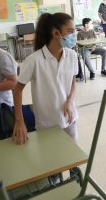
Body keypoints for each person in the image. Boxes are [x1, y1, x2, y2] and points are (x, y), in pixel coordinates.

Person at [12, 12, 79, 144]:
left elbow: (73, 82)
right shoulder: (34, 60)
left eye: (74, 31)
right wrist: (19, 121)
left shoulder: (72, 55)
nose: (74, 36)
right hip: (47, 124)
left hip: (69, 118)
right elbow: (17, 89)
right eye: (70, 31)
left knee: (73, 160)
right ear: (56, 33)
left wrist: (70, 101)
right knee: (52, 161)